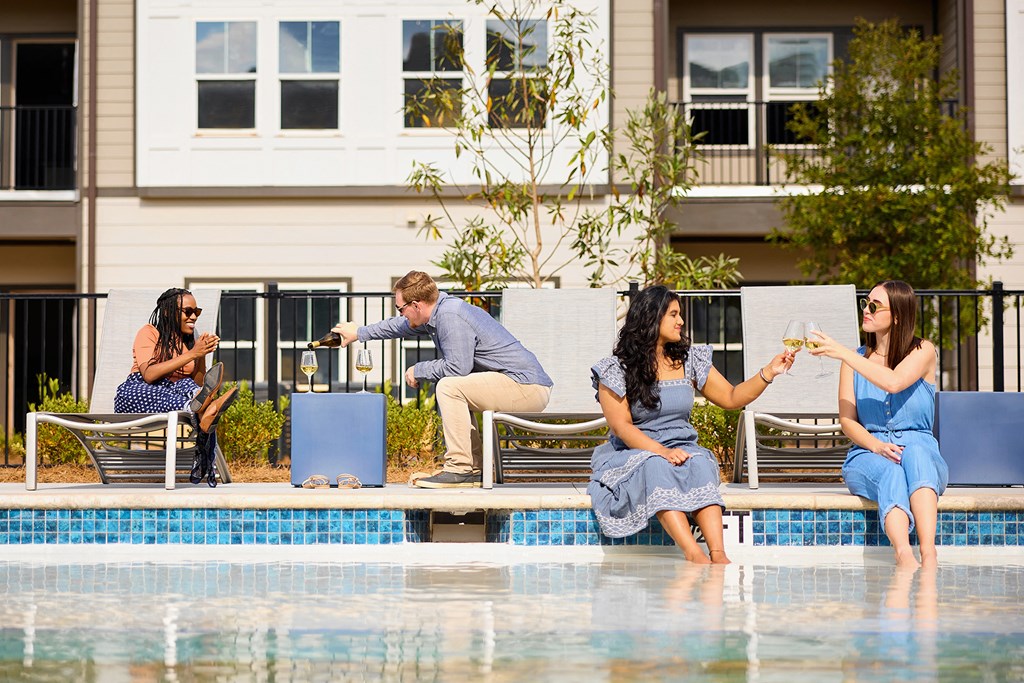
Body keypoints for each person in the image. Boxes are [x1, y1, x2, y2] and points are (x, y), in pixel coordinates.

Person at [589, 285, 793, 564]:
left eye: (680, 314)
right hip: (635, 451)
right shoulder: (616, 369)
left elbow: (732, 397)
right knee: (656, 465)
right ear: (651, 317)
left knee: (699, 462)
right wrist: (661, 451)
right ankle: (694, 554)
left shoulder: (688, 359)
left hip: (682, 447)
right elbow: (622, 427)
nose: (681, 321)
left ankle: (719, 555)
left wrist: (769, 372)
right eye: (673, 314)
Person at [332, 271, 552, 488]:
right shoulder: (437, 311)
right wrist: (360, 333)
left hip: (526, 386)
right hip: (517, 384)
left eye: (401, 309)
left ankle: (460, 468)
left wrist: (418, 370)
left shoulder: (450, 316)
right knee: (457, 387)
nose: (401, 314)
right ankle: (472, 468)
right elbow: (398, 326)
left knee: (449, 386)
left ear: (417, 305)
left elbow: (458, 367)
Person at [808, 280, 948, 568]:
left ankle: (929, 554)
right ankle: (904, 555)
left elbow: (894, 382)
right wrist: (876, 445)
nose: (866, 311)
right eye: (865, 303)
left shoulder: (924, 351)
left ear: (897, 316)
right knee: (891, 475)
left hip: (919, 447)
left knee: (917, 456)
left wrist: (841, 352)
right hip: (868, 452)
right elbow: (847, 421)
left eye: (874, 306)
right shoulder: (855, 360)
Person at [114, 287, 238, 485]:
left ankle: (203, 411)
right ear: (167, 311)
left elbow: (198, 383)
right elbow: (149, 374)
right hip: (140, 391)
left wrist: (201, 355)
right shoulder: (149, 332)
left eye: (196, 312)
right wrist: (192, 354)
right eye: (188, 311)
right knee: (182, 393)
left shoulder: (188, 343)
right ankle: (205, 411)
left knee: (189, 386)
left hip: (176, 392)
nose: (194, 317)